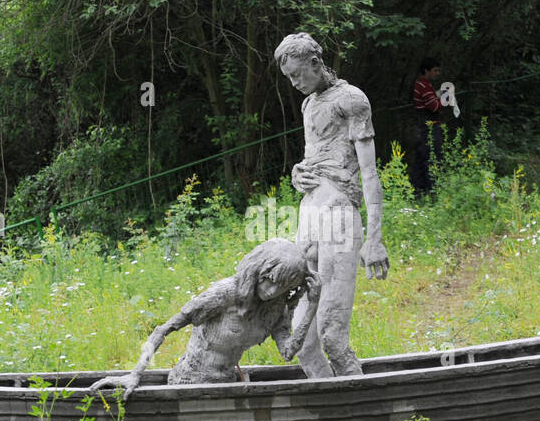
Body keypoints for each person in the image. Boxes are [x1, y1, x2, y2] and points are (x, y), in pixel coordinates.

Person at [274, 32, 390, 378]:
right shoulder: (309, 104)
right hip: (309, 216)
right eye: (288, 78)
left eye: (298, 74)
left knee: (331, 333)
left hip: (340, 216)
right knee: (302, 342)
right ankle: (334, 414)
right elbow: (318, 157)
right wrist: (298, 174)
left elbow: (369, 173)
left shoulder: (352, 100)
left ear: (315, 63)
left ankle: (364, 414)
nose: (294, 83)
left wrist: (375, 238)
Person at [89, 239, 320, 399]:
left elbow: (287, 352)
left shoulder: (274, 307)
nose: (272, 290)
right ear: (258, 270)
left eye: (282, 286)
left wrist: (311, 307)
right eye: (269, 280)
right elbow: (163, 329)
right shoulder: (226, 293)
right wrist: (134, 374)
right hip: (189, 383)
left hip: (228, 387)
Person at [411, 57, 449, 195]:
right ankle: (431, 190)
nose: (437, 73)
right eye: (435, 70)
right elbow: (434, 107)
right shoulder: (423, 85)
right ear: (426, 70)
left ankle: (419, 190)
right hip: (428, 126)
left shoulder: (423, 84)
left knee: (421, 158)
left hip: (423, 125)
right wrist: (445, 98)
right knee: (432, 157)